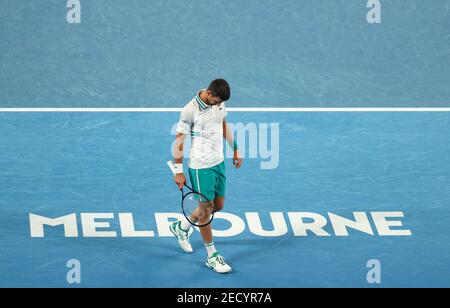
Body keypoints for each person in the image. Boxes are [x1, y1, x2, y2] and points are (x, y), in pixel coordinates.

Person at [170, 79, 242, 273]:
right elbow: (179, 140)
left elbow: (223, 124)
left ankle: (181, 227)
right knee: (206, 210)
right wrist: (178, 171)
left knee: (217, 206)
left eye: (221, 102)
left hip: (218, 162)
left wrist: (235, 148)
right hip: (201, 167)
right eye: (217, 100)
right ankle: (212, 256)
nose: (219, 104)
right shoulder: (189, 110)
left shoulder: (219, 102)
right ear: (209, 93)